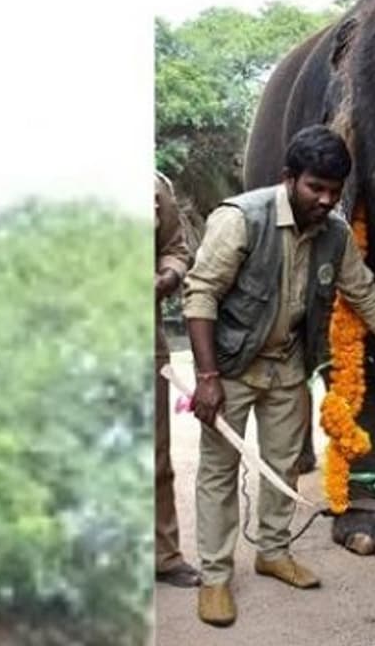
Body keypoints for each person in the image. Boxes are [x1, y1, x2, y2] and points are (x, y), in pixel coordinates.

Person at [182, 125, 375, 627]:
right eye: (314, 187)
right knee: (218, 473)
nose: (324, 199)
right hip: (230, 369)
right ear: (288, 178)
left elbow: (365, 295)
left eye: (334, 191)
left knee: (282, 466)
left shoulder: (335, 234)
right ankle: (214, 576)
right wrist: (207, 377)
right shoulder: (240, 220)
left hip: (287, 368)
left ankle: (272, 552)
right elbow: (200, 295)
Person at [154, 172, 201, 588]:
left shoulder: (152, 186)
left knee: (155, 455)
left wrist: (167, 278)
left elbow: (174, 250)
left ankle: (164, 556)